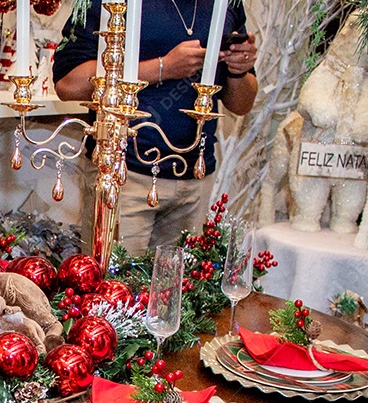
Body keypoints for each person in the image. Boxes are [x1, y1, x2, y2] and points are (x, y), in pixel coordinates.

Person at [53, 1, 258, 252]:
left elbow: (242, 104)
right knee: (113, 285)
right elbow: (68, 83)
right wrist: (162, 67)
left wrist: (239, 70)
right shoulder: (110, 3)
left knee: (180, 289)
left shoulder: (226, 5)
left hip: (195, 175)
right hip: (123, 174)